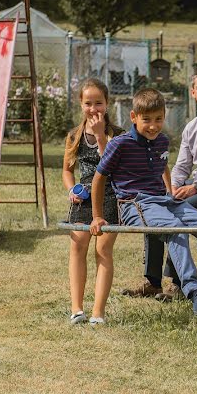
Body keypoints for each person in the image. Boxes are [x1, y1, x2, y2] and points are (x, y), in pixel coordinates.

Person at [89, 88, 197, 332]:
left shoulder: (161, 141)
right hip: (134, 203)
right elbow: (99, 178)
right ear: (133, 117)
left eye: (158, 119)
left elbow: (163, 165)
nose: (153, 126)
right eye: (146, 120)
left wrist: (170, 191)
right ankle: (195, 292)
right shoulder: (120, 144)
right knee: (175, 229)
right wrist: (97, 216)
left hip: (163, 200)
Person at [123, 68, 197, 307]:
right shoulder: (191, 127)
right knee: (156, 208)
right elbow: (180, 166)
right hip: (195, 187)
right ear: (192, 92)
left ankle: (178, 284)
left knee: (174, 212)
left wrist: (196, 186)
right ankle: (153, 282)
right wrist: (173, 187)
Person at [61, 78, 122, 326]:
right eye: (88, 103)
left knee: (102, 249)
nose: (94, 108)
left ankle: (98, 312)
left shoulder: (118, 135)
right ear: (81, 104)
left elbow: (114, 165)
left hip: (110, 194)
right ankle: (77, 308)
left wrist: (100, 137)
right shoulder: (74, 136)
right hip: (83, 195)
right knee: (78, 246)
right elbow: (67, 170)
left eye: (99, 103)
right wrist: (70, 190)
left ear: (107, 104)